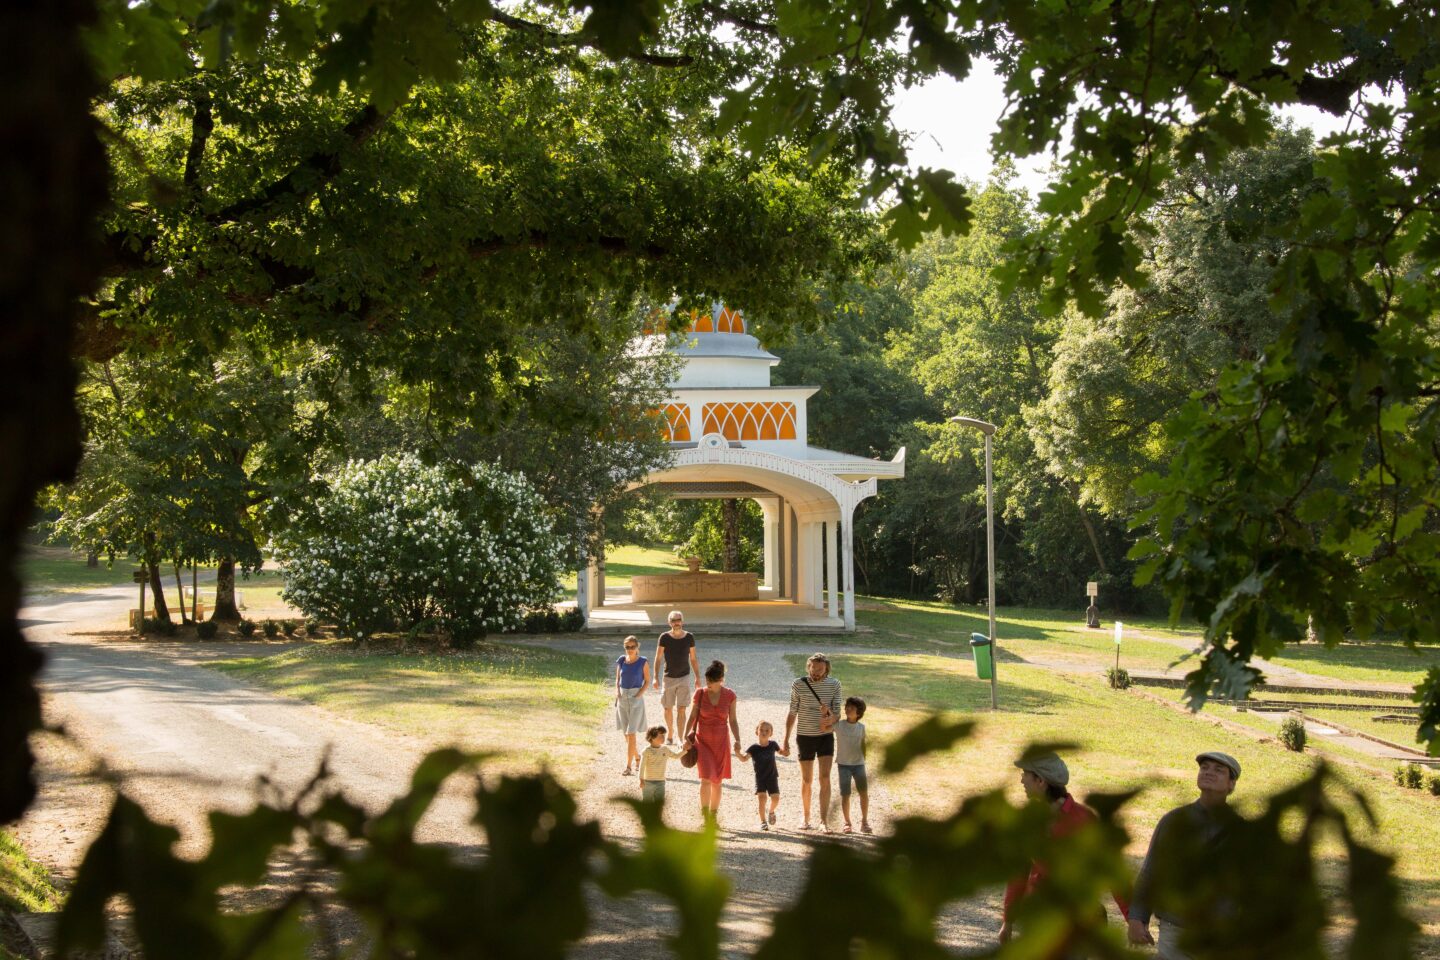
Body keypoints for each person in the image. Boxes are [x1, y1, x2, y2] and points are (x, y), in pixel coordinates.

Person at [1000, 752, 1129, 949]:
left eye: (1026, 773)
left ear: (1041, 781)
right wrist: (1008, 921)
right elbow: (1018, 873)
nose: (1021, 780)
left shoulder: (1085, 821)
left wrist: (1132, 918)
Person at [1127, 752, 1243, 959]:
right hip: (1175, 931)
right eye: (1204, 767)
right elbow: (1150, 872)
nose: (1208, 772)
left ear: (1231, 784)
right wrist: (1136, 918)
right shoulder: (1173, 822)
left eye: (1219, 770)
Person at [784, 652, 841, 832]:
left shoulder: (834, 685)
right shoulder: (798, 684)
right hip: (805, 736)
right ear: (808, 667)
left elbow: (838, 714)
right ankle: (806, 817)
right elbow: (792, 712)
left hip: (825, 737)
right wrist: (786, 739)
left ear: (826, 670)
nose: (816, 672)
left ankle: (824, 821)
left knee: (825, 778)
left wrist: (829, 717)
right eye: (813, 668)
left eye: (820, 669)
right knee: (807, 780)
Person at [684, 659, 742, 826]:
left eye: (712, 681)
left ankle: (713, 815)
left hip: (722, 742)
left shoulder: (730, 695)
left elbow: (733, 720)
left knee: (717, 781)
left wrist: (738, 739)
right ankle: (704, 816)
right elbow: (692, 716)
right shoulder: (700, 694)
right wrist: (685, 736)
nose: (708, 684)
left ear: (721, 680)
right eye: (707, 680)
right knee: (705, 779)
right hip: (703, 741)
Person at [653, 610, 701, 744]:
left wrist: (697, 677)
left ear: (682, 621)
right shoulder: (664, 637)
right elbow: (658, 658)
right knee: (667, 708)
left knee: (682, 708)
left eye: (678, 619)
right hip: (668, 677)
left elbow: (693, 658)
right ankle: (670, 733)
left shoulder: (689, 637)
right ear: (669, 623)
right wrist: (655, 677)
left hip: (684, 677)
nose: (676, 623)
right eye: (673, 620)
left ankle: (680, 738)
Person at [738, 721, 789, 830]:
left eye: (767, 730)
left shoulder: (773, 745)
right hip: (760, 778)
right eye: (761, 730)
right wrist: (737, 752)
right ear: (756, 732)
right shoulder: (753, 748)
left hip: (772, 776)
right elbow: (744, 758)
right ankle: (763, 822)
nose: (764, 732)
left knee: (775, 798)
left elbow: (781, 752)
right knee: (762, 799)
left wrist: (786, 752)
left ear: (771, 733)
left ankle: (771, 811)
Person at [613, 636, 652, 776]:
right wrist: (617, 692)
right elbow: (618, 679)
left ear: (637, 647)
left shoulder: (643, 662)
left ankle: (628, 767)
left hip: (635, 698)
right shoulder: (622, 660)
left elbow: (647, 681)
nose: (630, 649)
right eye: (627, 647)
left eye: (632, 647)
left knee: (631, 733)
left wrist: (639, 695)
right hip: (622, 698)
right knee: (626, 734)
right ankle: (637, 757)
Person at [835, 696, 870, 835]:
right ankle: (847, 822)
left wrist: (863, 759)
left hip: (859, 765)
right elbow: (825, 727)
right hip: (843, 764)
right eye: (847, 706)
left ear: (859, 713)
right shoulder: (839, 725)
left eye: (852, 708)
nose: (848, 709)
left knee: (863, 793)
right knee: (845, 794)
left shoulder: (861, 728)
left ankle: (865, 821)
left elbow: (864, 744)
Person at [639, 725, 684, 806]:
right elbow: (641, 767)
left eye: (664, 735)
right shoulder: (646, 751)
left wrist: (684, 750)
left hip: (661, 782)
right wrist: (641, 780)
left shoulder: (665, 749)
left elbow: (676, 756)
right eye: (660, 736)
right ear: (651, 738)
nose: (663, 738)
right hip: (647, 782)